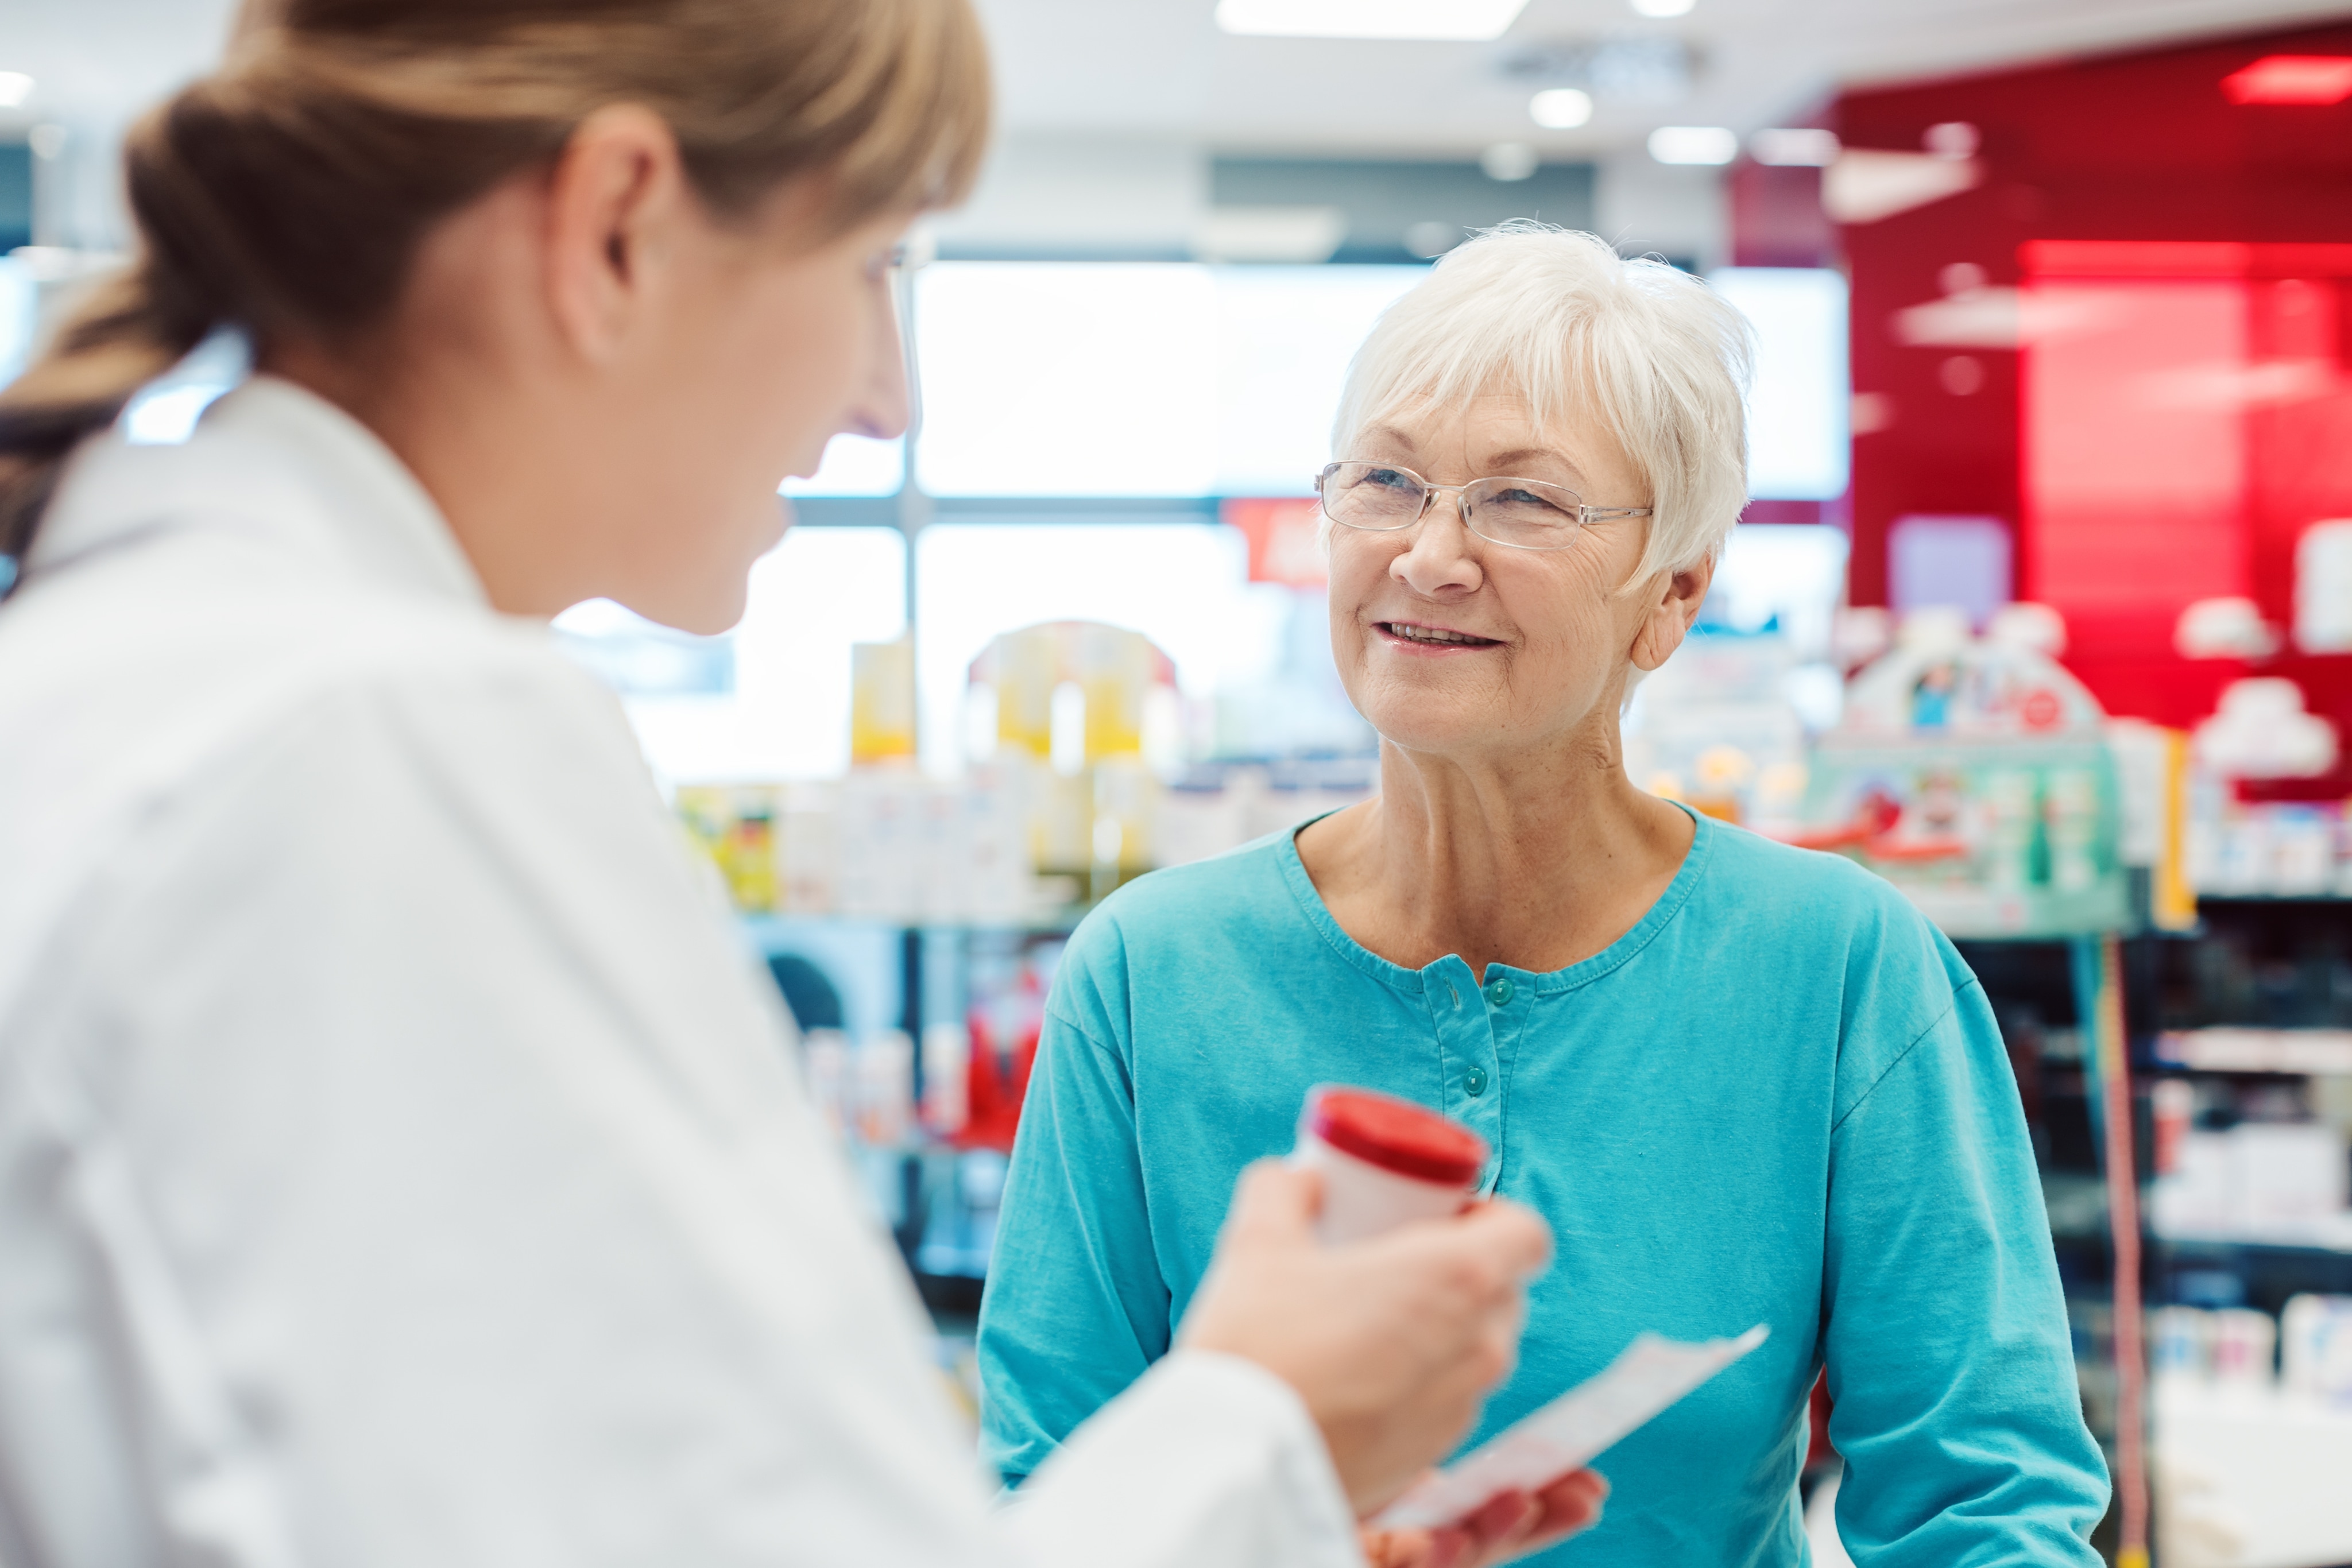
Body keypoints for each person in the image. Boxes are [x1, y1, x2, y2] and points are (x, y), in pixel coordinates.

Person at [0, 5, 1601, 1566]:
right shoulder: (381, 739)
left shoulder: (148, 673)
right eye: (869, 268)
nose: (886, 397)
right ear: (618, 225)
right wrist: (1273, 1429)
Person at [976, 227, 2114, 1567]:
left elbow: (1986, 1505)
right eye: (1386, 481)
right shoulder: (1152, 970)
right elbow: (1047, 1485)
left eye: (1524, 503)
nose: (1430, 554)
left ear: (1670, 596)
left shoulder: (1838, 965)